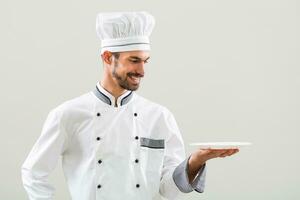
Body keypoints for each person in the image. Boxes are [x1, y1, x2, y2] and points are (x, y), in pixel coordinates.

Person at [21, 11, 239, 200]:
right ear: (108, 57)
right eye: (134, 60)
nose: (142, 71)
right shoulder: (68, 114)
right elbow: (33, 172)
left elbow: (168, 189)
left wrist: (195, 160)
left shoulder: (159, 116)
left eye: (146, 61)